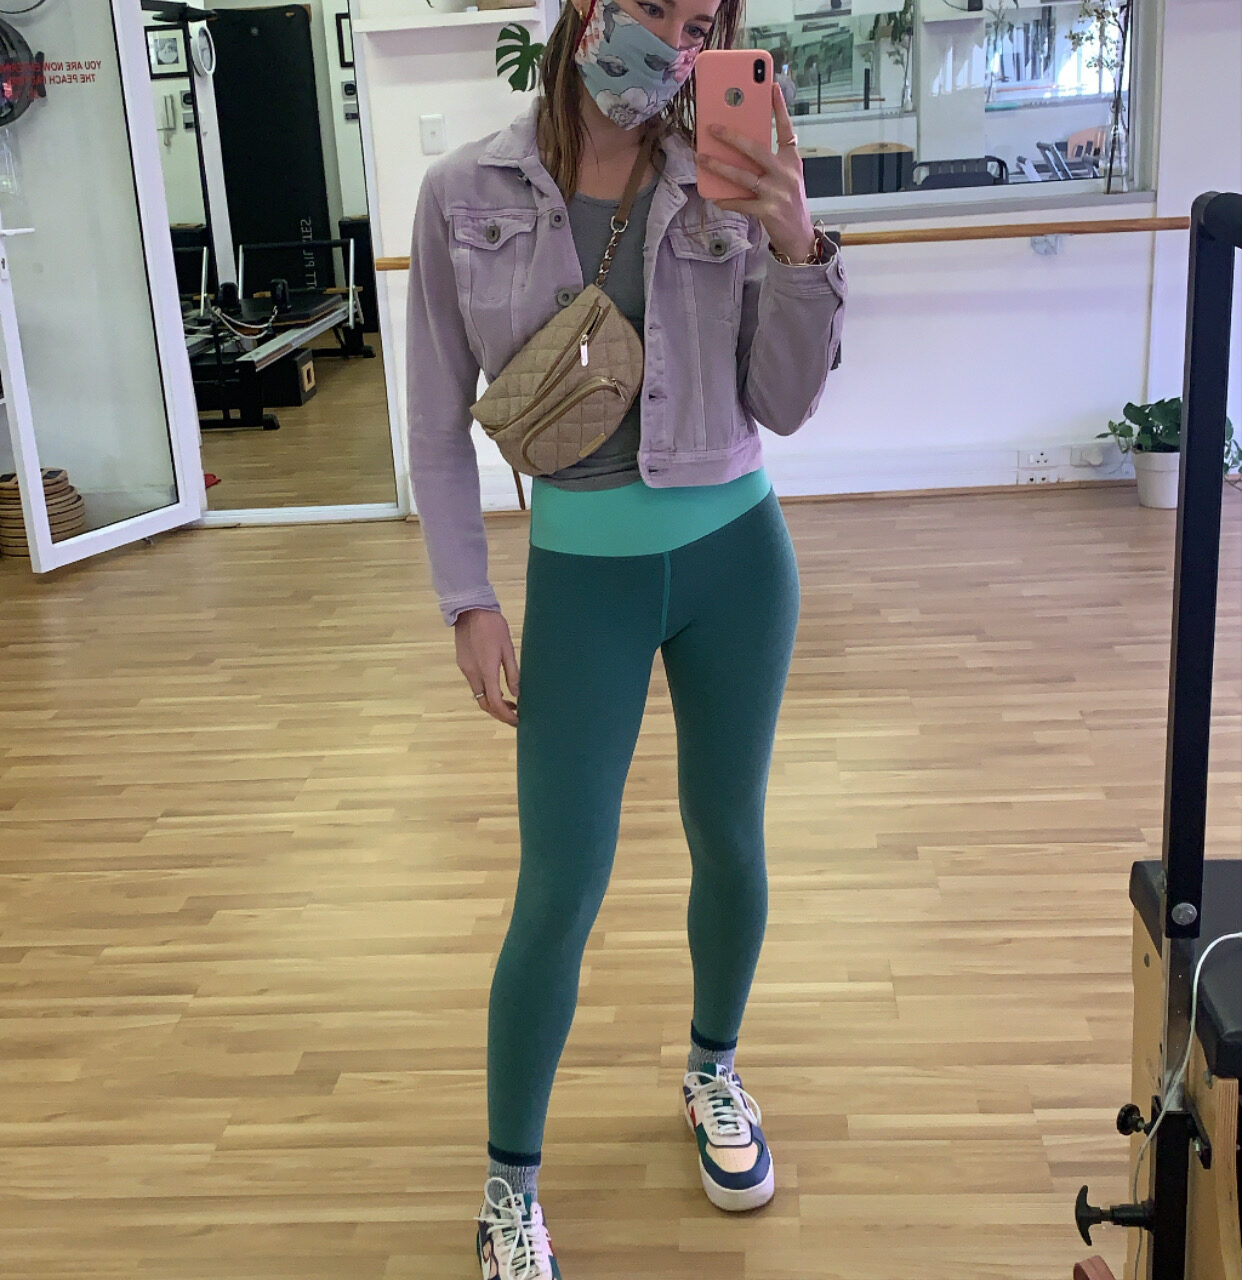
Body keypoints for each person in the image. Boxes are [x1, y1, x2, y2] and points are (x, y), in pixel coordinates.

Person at [405, 0, 846, 1273]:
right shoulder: (464, 192)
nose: (675, 37)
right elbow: (434, 418)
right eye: (654, 6)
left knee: (731, 837)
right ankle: (510, 1186)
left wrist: (797, 242)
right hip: (581, 581)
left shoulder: (727, 173)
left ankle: (714, 1070)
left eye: (703, 19)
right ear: (587, 11)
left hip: (738, 561)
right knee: (560, 884)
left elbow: (785, 403)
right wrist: (467, 596)